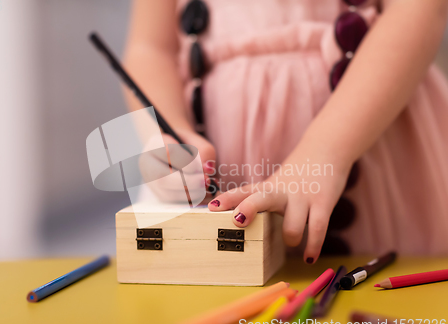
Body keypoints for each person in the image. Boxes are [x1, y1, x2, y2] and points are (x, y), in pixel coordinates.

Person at [123, 0, 448, 263]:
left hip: (368, 151)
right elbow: (151, 48)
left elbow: (419, 8)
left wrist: (326, 152)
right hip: (220, 160)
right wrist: (170, 133)